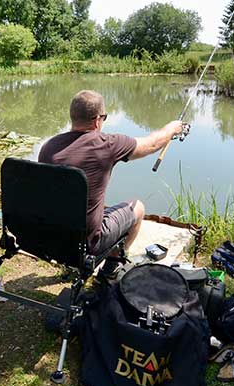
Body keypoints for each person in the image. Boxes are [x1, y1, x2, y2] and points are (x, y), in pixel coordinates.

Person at [37, 90, 187, 277]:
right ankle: (110, 269)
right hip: (88, 242)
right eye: (104, 117)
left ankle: (72, 260)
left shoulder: (48, 147)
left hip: (49, 235)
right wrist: (172, 128)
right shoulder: (107, 145)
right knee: (137, 207)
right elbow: (151, 144)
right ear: (97, 120)